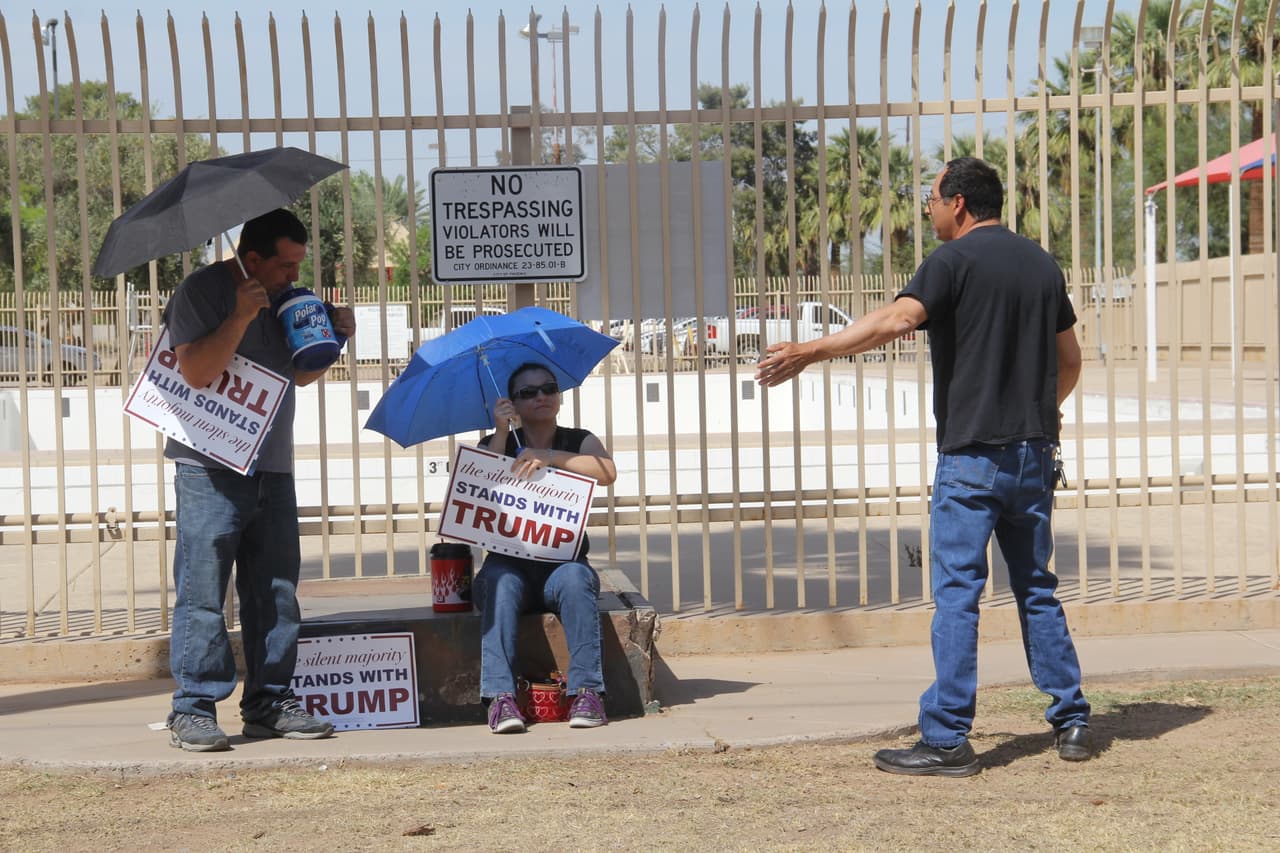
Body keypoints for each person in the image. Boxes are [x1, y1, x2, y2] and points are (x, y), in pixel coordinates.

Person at [756, 156, 1091, 777]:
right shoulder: (1041, 263)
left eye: (931, 201)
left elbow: (900, 317)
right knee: (1036, 586)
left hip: (972, 459)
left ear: (958, 203)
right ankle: (1071, 719)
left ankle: (946, 739)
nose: (927, 212)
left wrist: (811, 348)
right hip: (1034, 455)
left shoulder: (952, 262)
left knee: (958, 595)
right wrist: (1043, 415)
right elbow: (1069, 359)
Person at [162, 208, 356, 751]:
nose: (296, 276)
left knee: (275, 592)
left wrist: (335, 340)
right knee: (203, 592)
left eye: (299, 265)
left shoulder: (289, 299)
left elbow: (298, 373)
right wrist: (242, 316)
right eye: (287, 265)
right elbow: (196, 371)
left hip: (272, 464)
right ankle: (193, 708)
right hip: (209, 468)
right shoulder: (201, 293)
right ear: (253, 260)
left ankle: (269, 701)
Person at [474, 362, 618, 733]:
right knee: (500, 584)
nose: (540, 397)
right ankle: (501, 699)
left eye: (548, 389)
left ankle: (587, 693)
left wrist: (551, 458)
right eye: (527, 393)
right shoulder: (497, 442)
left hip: (562, 564)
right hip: (509, 564)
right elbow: (483, 476)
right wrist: (503, 432)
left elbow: (606, 471)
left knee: (575, 579)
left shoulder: (576, 439)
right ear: (513, 403)